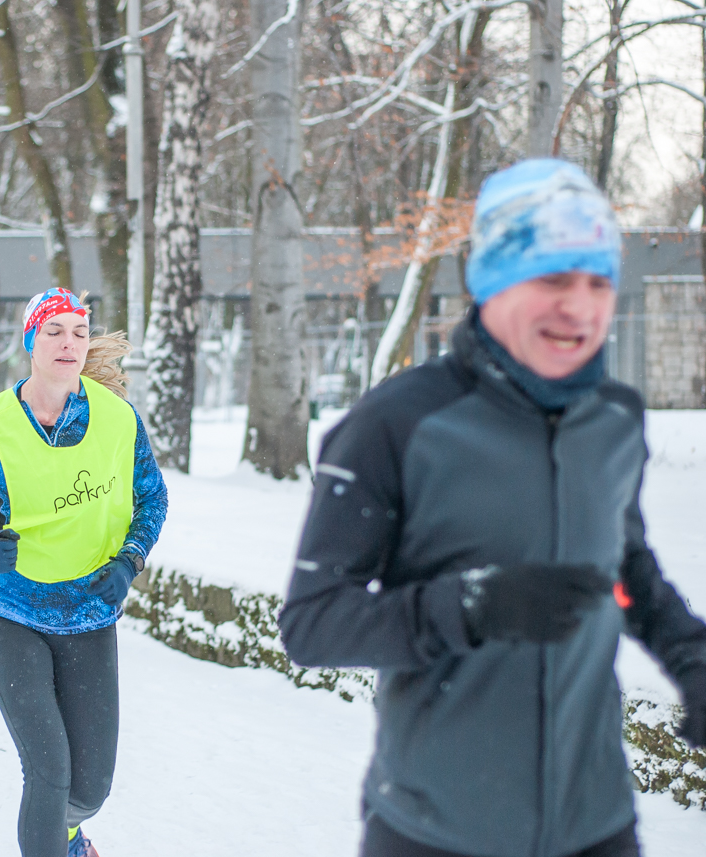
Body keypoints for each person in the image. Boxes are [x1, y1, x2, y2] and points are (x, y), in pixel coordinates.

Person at [279, 159, 706, 857]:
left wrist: (689, 653)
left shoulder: (615, 419)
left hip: (597, 825)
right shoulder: (396, 424)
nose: (581, 305)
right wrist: (472, 607)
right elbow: (311, 622)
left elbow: (622, 570)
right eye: (554, 279)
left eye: (599, 282)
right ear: (494, 281)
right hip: (434, 829)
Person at [0, 288, 168, 857]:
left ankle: (65, 833)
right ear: (31, 341)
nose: (69, 343)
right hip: (11, 612)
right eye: (54, 331)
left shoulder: (118, 419)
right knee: (48, 770)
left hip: (89, 613)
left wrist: (130, 560)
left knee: (91, 786)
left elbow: (152, 499)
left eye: (79, 331)